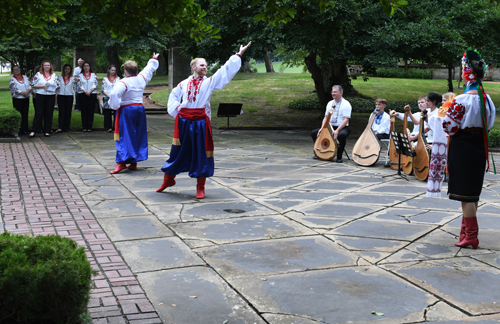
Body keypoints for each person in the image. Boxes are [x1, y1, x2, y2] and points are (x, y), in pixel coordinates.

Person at [157, 41, 252, 198]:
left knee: (201, 153)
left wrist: (238, 54)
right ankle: (168, 179)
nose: (205, 67)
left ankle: (200, 187)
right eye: (201, 65)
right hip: (184, 122)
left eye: (206, 66)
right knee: (177, 151)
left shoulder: (209, 83)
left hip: (200, 123)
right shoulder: (184, 83)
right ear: (193, 67)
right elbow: (173, 95)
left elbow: (224, 71)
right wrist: (177, 111)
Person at [442, 48, 495, 249]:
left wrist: (444, 116)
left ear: (466, 75)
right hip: (479, 145)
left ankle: (471, 235)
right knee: (472, 191)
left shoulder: (461, 100)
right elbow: (488, 124)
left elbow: (450, 126)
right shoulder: (487, 99)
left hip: (463, 146)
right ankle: (466, 233)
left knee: (466, 193)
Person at [108, 53, 160, 174]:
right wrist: (153, 59)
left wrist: (116, 106)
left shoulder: (123, 82)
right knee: (137, 134)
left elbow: (114, 95)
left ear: (125, 71)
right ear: (136, 70)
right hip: (140, 109)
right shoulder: (141, 78)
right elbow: (148, 69)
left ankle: (121, 163)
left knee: (124, 135)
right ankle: (133, 162)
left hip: (127, 110)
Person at [311, 85, 352, 163]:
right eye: (332, 92)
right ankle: (320, 153)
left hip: (342, 127)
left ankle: (339, 156)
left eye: (335, 92)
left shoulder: (346, 104)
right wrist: (322, 128)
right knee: (314, 133)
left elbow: (346, 120)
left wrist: (337, 131)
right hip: (330, 126)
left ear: (341, 93)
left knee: (341, 135)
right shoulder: (330, 103)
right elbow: (326, 117)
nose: (333, 93)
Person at [30, 60, 59, 137]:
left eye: (48, 65)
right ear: (42, 66)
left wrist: (52, 87)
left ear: (50, 66)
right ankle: (34, 131)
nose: (47, 67)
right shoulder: (38, 74)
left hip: (50, 95)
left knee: (49, 113)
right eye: (45, 65)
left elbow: (58, 85)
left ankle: (47, 130)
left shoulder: (54, 75)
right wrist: (43, 86)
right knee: (38, 113)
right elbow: (33, 84)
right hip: (40, 95)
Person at [9, 66, 32, 135]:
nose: (17, 71)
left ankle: (25, 129)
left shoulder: (25, 77)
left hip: (25, 98)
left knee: (25, 114)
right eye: (15, 70)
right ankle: (18, 129)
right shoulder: (12, 79)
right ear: (13, 71)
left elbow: (30, 85)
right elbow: (14, 88)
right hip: (18, 99)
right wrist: (23, 93)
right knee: (18, 114)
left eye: (18, 69)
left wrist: (27, 92)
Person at [76, 61, 98, 132]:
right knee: (84, 110)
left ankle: (89, 126)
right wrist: (85, 91)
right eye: (84, 66)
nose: (86, 67)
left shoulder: (93, 75)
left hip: (92, 94)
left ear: (90, 67)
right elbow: (79, 84)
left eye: (87, 66)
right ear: (83, 67)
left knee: (90, 110)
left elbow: (95, 84)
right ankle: (84, 126)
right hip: (83, 94)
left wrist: (90, 91)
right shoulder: (80, 75)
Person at [55, 64, 76, 133]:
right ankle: (60, 127)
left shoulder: (72, 78)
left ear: (70, 70)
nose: (67, 70)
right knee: (61, 111)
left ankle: (66, 127)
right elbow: (56, 85)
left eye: (68, 69)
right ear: (63, 69)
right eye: (66, 69)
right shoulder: (59, 77)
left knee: (68, 112)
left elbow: (75, 86)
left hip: (69, 95)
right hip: (61, 95)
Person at [101, 65, 120, 133]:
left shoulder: (118, 79)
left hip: (115, 97)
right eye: (112, 70)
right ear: (109, 70)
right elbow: (103, 89)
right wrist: (108, 95)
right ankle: (108, 127)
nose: (113, 72)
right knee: (107, 112)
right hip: (107, 97)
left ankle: (115, 126)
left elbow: (119, 88)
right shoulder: (105, 79)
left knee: (116, 112)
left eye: (114, 70)